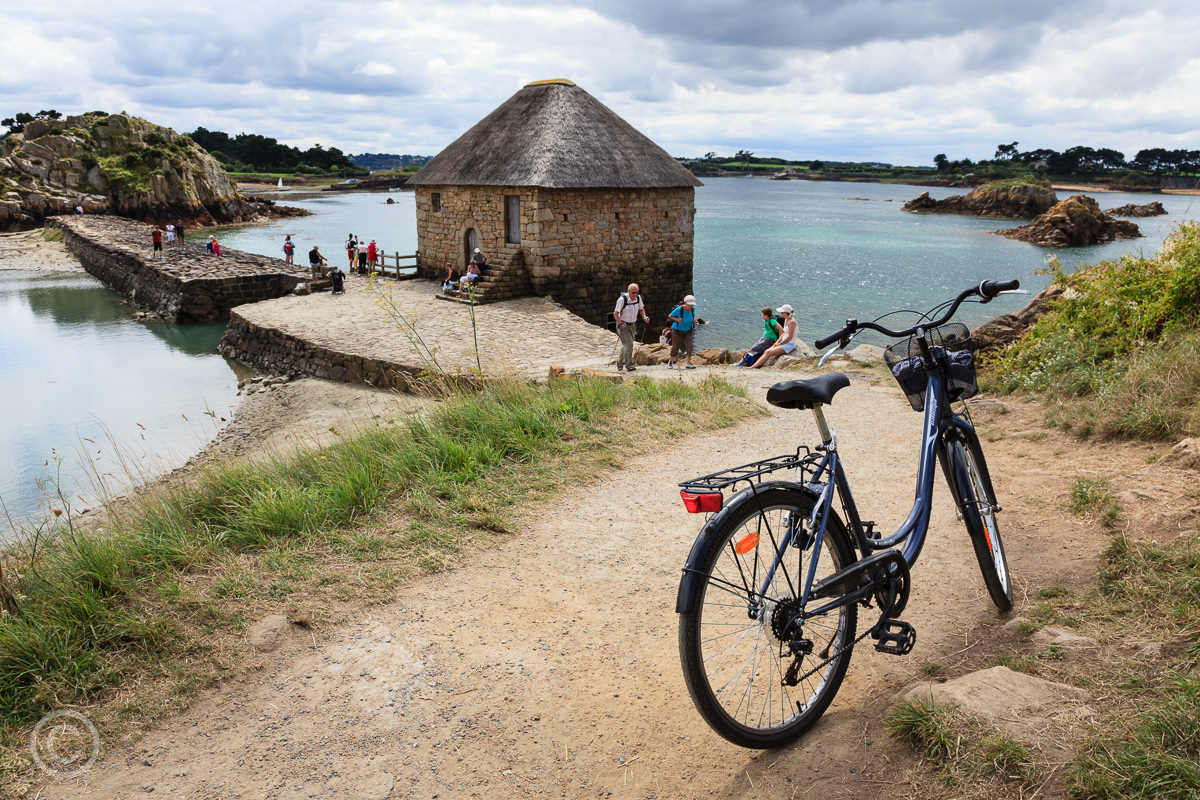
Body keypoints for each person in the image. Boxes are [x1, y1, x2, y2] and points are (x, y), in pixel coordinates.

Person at [613, 283, 649, 372]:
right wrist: (620, 323)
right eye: (633, 293)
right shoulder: (622, 300)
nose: (635, 295)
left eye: (636, 292)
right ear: (628, 291)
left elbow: (641, 309)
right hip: (623, 325)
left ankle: (619, 361)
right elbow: (616, 313)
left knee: (627, 344)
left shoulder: (638, 298)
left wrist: (644, 317)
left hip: (632, 325)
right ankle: (629, 365)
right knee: (629, 344)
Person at [751, 304, 799, 368]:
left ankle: (753, 367)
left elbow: (790, 336)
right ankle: (754, 365)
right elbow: (784, 333)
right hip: (784, 343)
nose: (780, 313)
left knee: (768, 352)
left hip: (789, 345)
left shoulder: (792, 322)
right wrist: (777, 342)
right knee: (766, 351)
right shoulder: (786, 320)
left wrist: (780, 343)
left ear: (785, 313)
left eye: (782, 312)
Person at [667, 294, 698, 369]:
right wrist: (678, 320)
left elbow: (692, 316)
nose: (691, 306)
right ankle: (671, 361)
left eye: (692, 305)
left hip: (688, 330)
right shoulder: (679, 309)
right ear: (685, 303)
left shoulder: (693, 309)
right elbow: (670, 316)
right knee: (676, 346)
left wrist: (693, 321)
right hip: (677, 331)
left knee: (690, 345)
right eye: (689, 305)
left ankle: (688, 363)